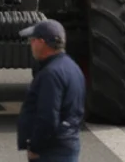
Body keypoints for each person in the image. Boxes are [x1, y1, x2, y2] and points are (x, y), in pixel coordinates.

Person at [16, 19, 84, 162]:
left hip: (52, 151)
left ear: (42, 42)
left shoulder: (51, 74)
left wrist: (35, 147)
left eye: (32, 40)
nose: (31, 44)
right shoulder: (72, 67)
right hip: (68, 142)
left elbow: (47, 118)